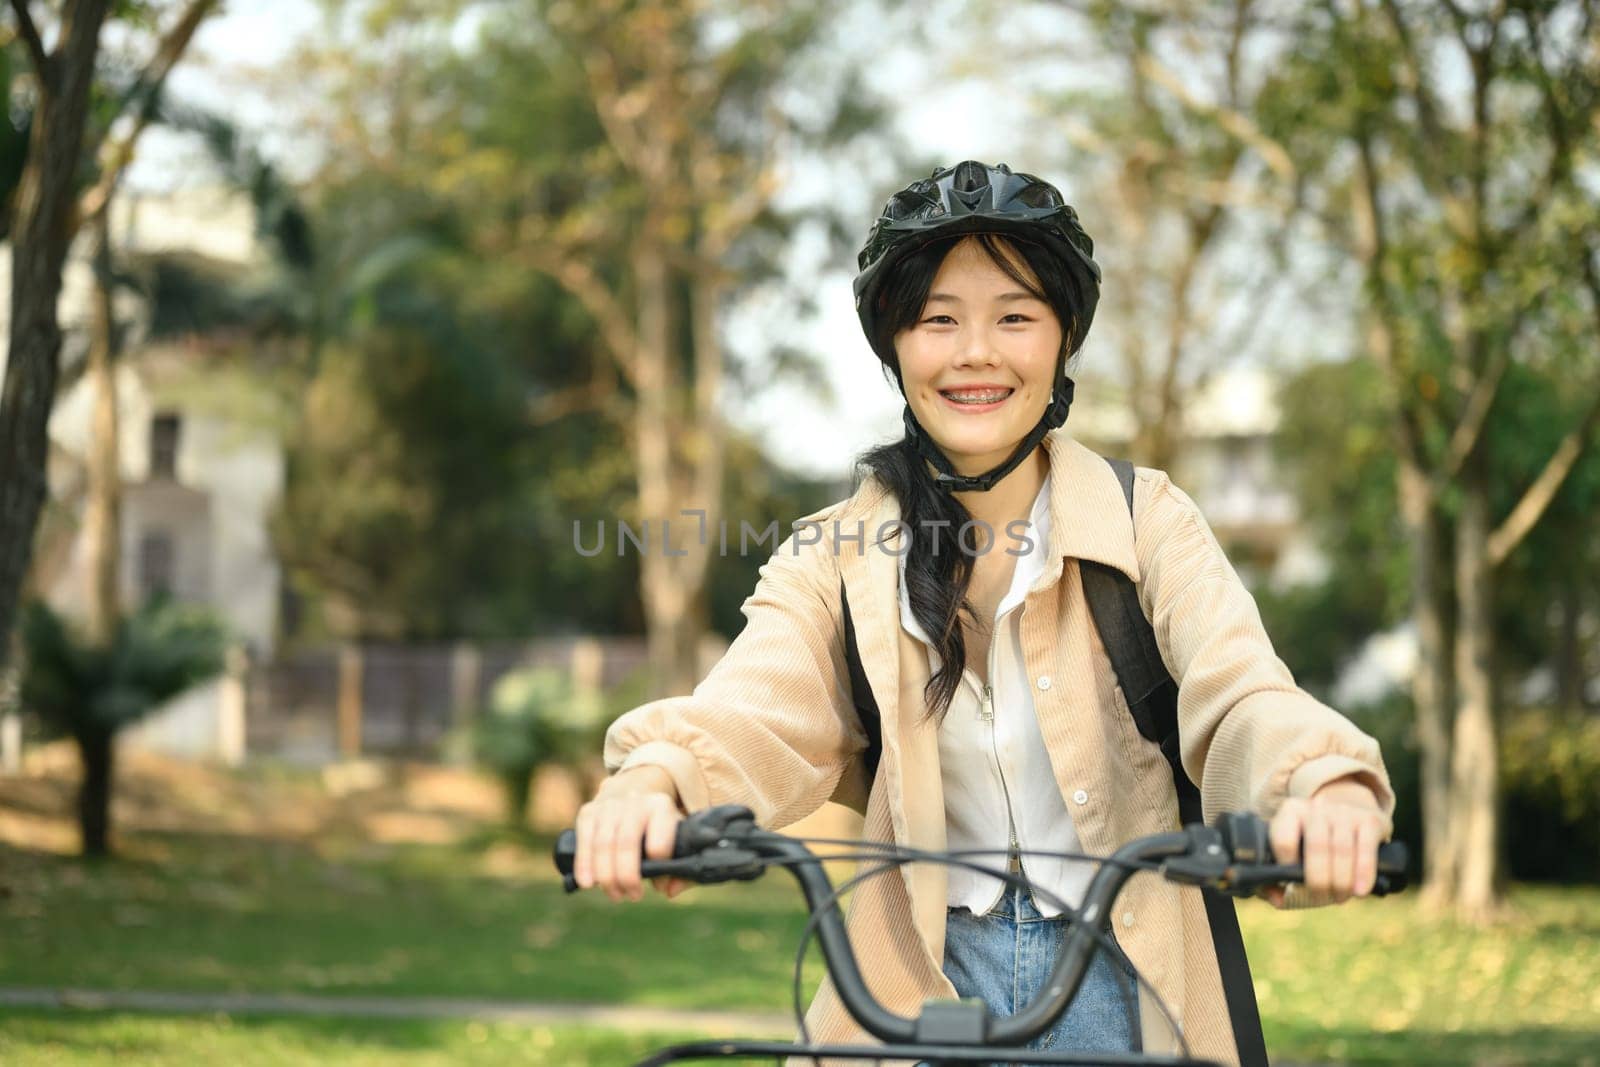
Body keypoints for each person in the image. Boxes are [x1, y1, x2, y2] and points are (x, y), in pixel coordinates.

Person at [572, 161, 1395, 1066]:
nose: (976, 351)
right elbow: (751, 707)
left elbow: (1238, 690)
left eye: (1014, 315)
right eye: (938, 319)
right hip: (910, 981)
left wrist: (1318, 781)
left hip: (1126, 975)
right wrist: (655, 781)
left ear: (1062, 339)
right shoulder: (834, 552)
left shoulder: (1146, 519)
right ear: (896, 346)